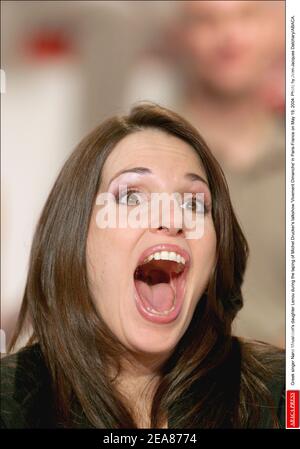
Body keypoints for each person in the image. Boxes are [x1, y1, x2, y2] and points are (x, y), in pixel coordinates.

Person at [0, 103, 284, 429]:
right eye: (132, 197)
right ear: (73, 237)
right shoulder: (10, 405)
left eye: (193, 202)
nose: (172, 218)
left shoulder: (279, 396)